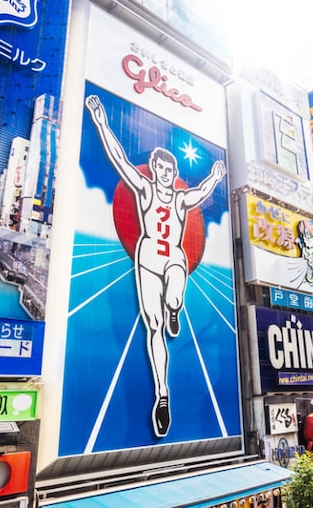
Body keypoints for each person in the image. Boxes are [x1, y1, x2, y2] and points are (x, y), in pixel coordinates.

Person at [86, 94, 226, 438]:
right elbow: (119, 160)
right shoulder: (145, 190)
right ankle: (162, 396)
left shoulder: (180, 199)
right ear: (155, 168)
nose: (164, 173)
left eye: (169, 170)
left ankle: (175, 306)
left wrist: (217, 176)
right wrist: (102, 122)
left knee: (175, 295)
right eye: (159, 168)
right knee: (153, 326)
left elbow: (203, 191)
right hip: (148, 257)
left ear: (174, 173)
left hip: (173, 257)